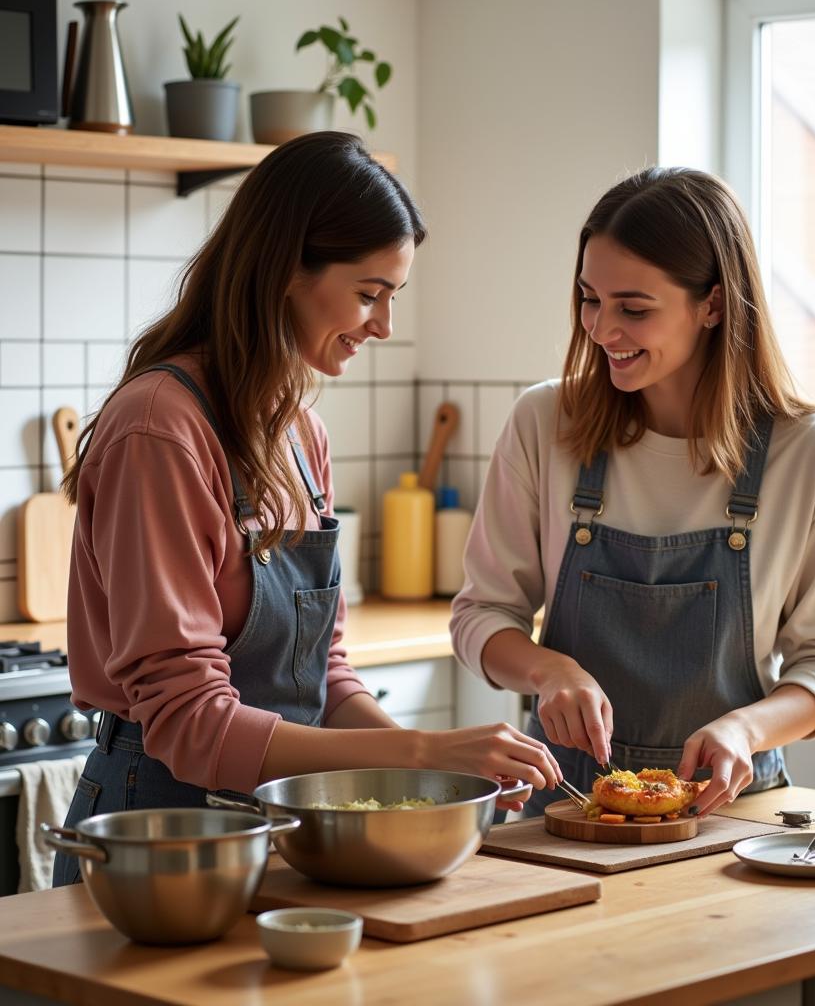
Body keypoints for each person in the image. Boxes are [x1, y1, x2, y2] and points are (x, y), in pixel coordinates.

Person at [53, 132, 559, 887]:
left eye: (393, 297)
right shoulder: (160, 428)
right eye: (367, 293)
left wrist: (441, 782)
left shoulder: (300, 432)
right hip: (160, 825)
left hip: (284, 819)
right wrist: (422, 753)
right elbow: (190, 725)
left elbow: (323, 676)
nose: (383, 326)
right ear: (286, 268)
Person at [450, 167, 815, 820]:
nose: (600, 328)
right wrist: (548, 671)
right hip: (565, 812)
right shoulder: (544, 423)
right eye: (590, 299)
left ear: (713, 303)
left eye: (634, 308)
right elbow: (482, 615)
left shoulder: (806, 452)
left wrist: (746, 731)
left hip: (733, 817)